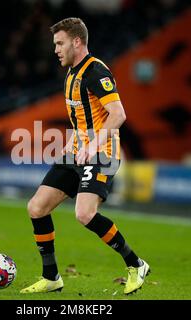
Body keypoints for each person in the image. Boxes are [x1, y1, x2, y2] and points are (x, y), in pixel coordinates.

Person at [20, 17, 150, 295]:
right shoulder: (70, 74)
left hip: (102, 153)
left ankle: (136, 264)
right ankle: (52, 276)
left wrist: (93, 145)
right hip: (80, 151)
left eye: (60, 43)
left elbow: (118, 114)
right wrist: (75, 143)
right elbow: (84, 119)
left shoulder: (96, 71)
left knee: (84, 213)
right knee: (37, 207)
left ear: (77, 42)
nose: (55, 49)